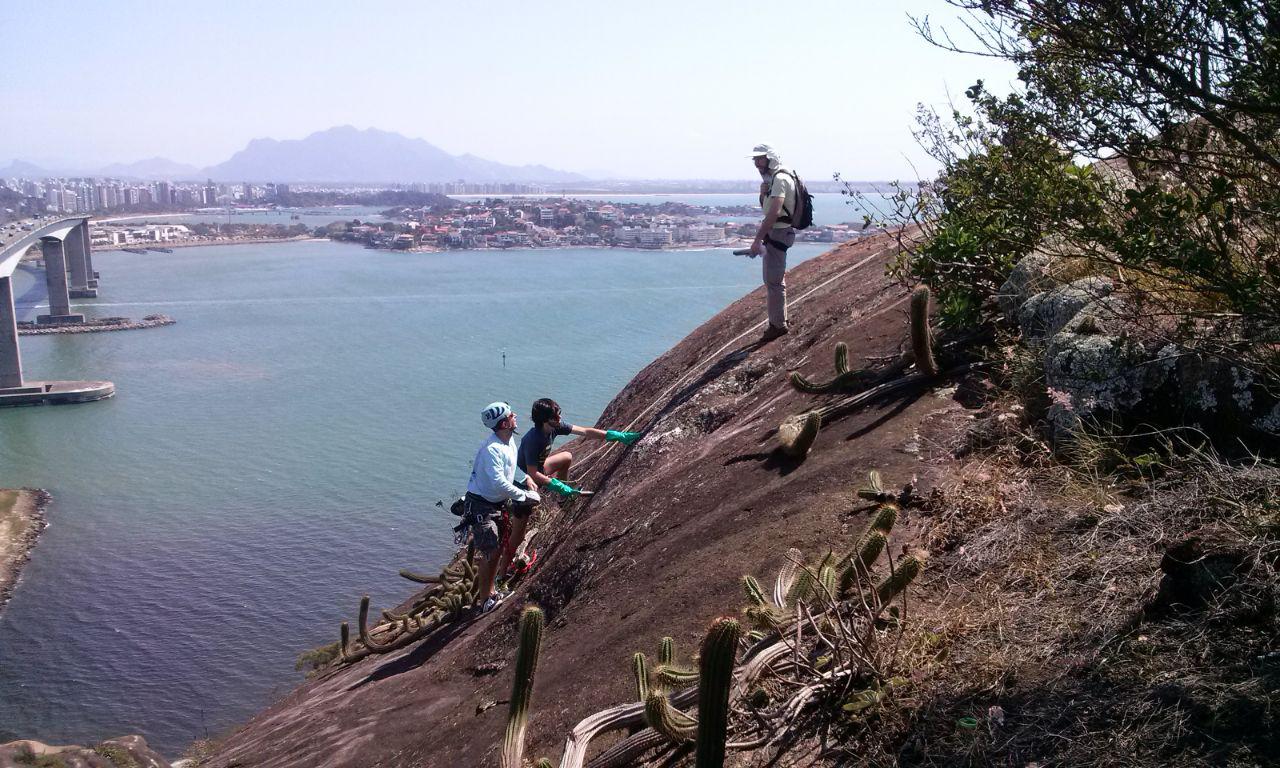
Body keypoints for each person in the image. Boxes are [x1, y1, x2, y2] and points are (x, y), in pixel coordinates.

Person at [495, 398, 641, 582]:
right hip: (524, 484)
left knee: (566, 457)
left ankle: (563, 500)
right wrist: (558, 485)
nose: (560, 416)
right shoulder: (534, 440)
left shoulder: (555, 427)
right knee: (518, 536)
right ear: (546, 420)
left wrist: (615, 435)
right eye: (556, 414)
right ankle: (500, 576)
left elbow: (585, 431)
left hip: (539, 471)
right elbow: (532, 474)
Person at [461, 401, 540, 612]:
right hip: (481, 506)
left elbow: (510, 470)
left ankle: (492, 591)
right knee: (491, 551)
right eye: (511, 415)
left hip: (495, 503)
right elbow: (498, 482)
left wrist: (525, 479)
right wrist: (523, 496)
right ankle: (487, 600)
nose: (516, 416)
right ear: (504, 423)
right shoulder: (492, 449)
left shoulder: (508, 441)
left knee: (495, 550)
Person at [746, 143, 798, 342]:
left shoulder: (781, 179)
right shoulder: (776, 179)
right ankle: (779, 320)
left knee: (773, 281)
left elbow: (774, 212)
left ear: (771, 158)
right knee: (774, 280)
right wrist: (762, 193)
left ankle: (777, 326)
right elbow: (768, 207)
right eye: (755, 160)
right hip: (777, 233)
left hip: (778, 233)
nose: (756, 164)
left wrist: (757, 240)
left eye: (760, 159)